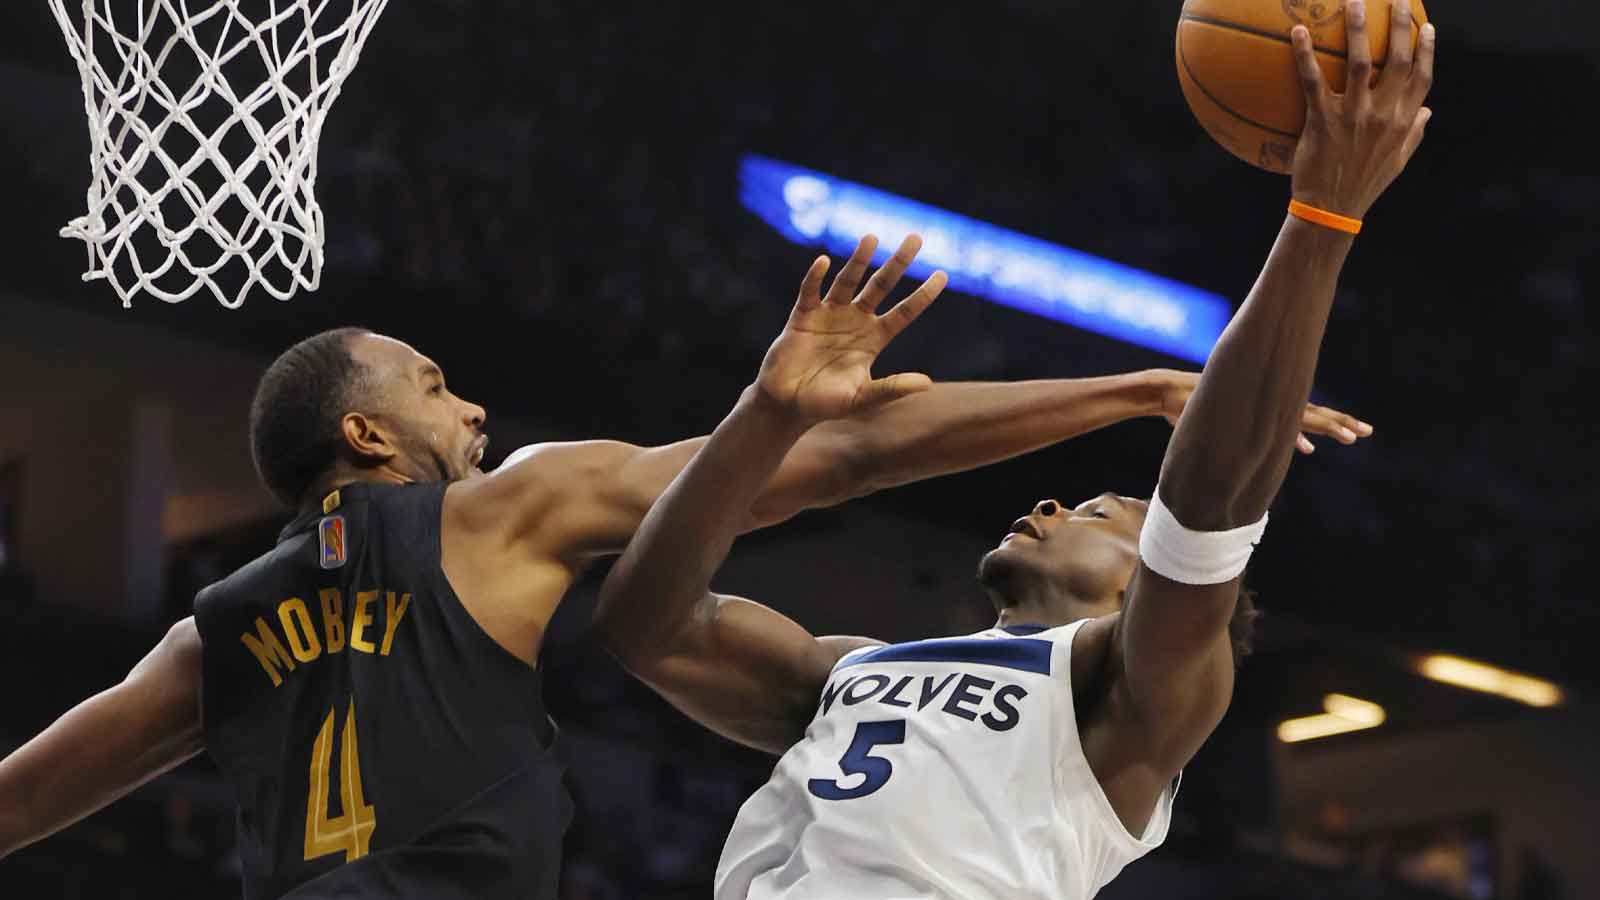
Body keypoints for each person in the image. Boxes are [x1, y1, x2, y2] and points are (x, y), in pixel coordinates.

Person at [0, 233, 1362, 896]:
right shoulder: (506, 507)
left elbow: (25, 797)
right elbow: (844, 462)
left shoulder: (212, 630)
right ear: (369, 434)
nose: (472, 409)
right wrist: (1124, 390)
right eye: (435, 386)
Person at [594, 5, 1435, 898]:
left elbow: (1212, 504)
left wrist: (1321, 216)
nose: (1047, 504)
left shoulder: (1130, 696)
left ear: (1138, 585)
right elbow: (643, 624)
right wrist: (765, 416)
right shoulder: (850, 670)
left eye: (1097, 511)